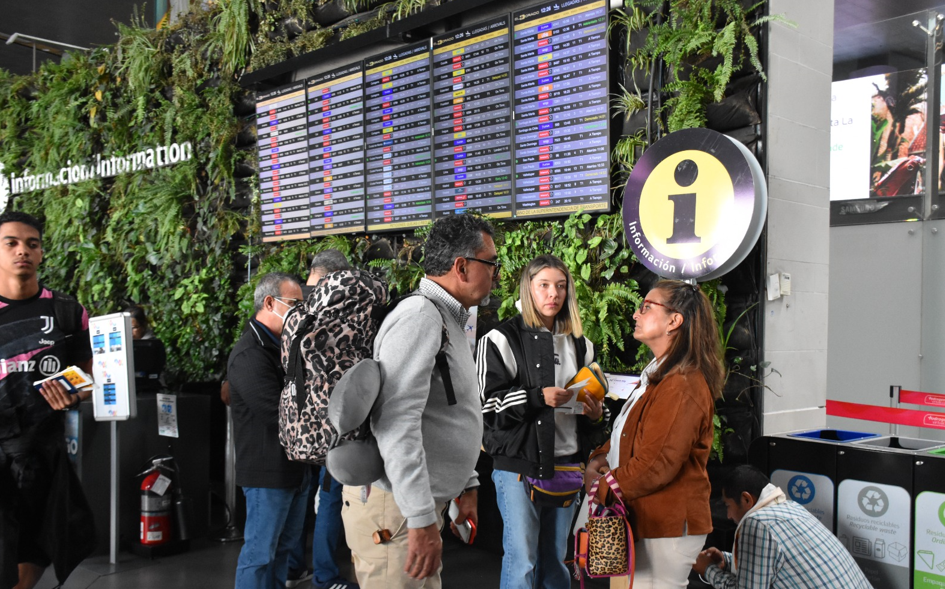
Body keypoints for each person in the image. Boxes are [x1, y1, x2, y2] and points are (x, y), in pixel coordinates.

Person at [340, 214, 497, 589]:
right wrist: (421, 518)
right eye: (491, 263)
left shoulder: (447, 319)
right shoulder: (420, 317)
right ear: (462, 266)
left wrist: (467, 484)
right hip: (395, 511)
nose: (496, 273)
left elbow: (449, 411)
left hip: (412, 507)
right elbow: (396, 424)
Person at [477, 254, 607, 589]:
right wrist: (537, 398)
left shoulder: (582, 345)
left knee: (556, 563)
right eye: (544, 285)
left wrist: (595, 416)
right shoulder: (499, 339)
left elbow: (593, 418)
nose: (554, 294)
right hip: (518, 467)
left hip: (566, 467)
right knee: (523, 563)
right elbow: (487, 409)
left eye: (561, 286)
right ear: (528, 289)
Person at [584, 280, 724, 589]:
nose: (636, 313)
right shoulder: (659, 373)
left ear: (675, 321)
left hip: (665, 525)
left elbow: (655, 464)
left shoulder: (682, 384)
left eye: (647, 307)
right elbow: (628, 431)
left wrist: (602, 487)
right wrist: (599, 458)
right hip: (644, 518)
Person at [0, 211, 96, 589]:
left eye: (32, 244)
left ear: (41, 254)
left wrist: (74, 392)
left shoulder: (68, 313)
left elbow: (90, 378)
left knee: (39, 546)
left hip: (45, 455)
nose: (23, 250)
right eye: (11, 243)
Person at [228, 272, 309, 589]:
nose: (301, 313)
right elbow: (274, 412)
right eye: (295, 305)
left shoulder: (285, 348)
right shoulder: (250, 354)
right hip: (267, 475)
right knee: (260, 556)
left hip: (294, 470)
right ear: (269, 303)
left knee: (282, 553)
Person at [287, 249, 358, 589]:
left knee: (304, 495)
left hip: (299, 425)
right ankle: (326, 576)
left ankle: (293, 566)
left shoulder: (298, 308)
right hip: (332, 425)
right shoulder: (347, 310)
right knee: (329, 496)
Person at [692, 465, 873, 589]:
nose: (729, 515)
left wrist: (708, 570)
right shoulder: (789, 508)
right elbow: (775, 564)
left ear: (747, 499)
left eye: (728, 506)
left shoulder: (758, 523)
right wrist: (728, 560)